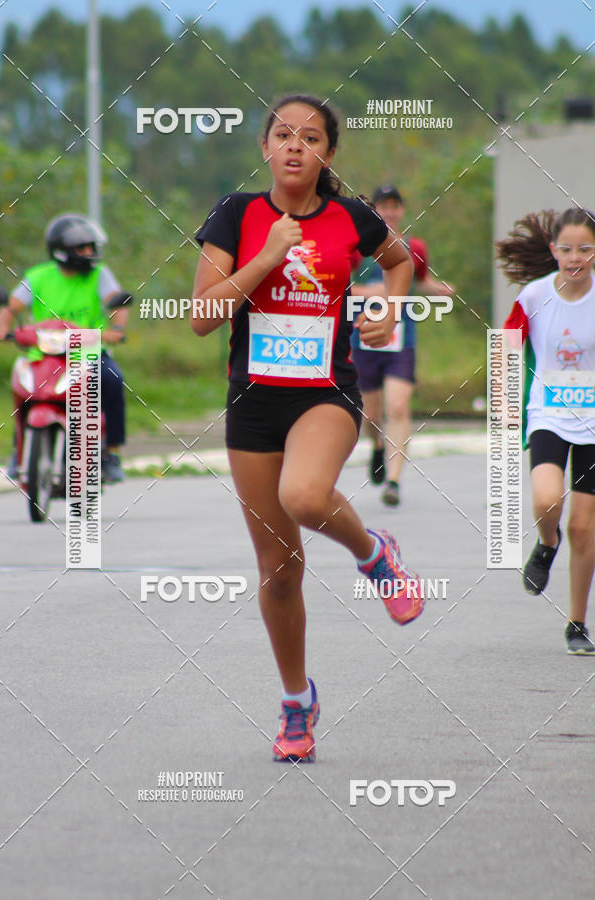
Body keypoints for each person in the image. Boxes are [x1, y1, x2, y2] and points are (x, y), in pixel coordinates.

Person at [191, 93, 425, 763]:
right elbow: (203, 316)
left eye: (311, 137)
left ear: (328, 154)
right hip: (254, 402)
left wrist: (389, 307)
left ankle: (374, 553)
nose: (296, 145)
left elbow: (401, 259)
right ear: (265, 147)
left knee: (304, 495)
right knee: (280, 570)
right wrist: (264, 258)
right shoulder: (236, 215)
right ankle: (297, 704)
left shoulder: (352, 217)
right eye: (283, 134)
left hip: (325, 392)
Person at [497, 207, 595, 655]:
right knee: (546, 500)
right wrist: (505, 415)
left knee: (584, 528)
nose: (576, 258)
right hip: (548, 416)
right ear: (554, 250)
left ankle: (576, 622)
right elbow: (507, 352)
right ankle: (545, 542)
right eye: (568, 249)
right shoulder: (534, 298)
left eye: (586, 249)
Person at [0, 214, 128, 483]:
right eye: (83, 248)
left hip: (88, 350)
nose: (90, 253)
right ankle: (18, 452)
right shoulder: (37, 277)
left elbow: (117, 303)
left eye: (91, 247)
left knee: (112, 380)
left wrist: (117, 331)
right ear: (62, 250)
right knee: (25, 391)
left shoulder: (99, 275)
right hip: (44, 353)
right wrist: (1, 328)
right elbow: (10, 308)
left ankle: (111, 453)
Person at [350, 185, 454, 505]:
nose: (390, 212)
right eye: (384, 207)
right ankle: (377, 447)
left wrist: (440, 291)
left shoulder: (414, 248)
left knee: (398, 407)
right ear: (375, 211)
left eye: (395, 207)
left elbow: (418, 282)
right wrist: (375, 293)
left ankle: (394, 481)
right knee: (371, 414)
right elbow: (344, 287)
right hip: (365, 336)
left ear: (402, 211)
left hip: (400, 339)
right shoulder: (356, 247)